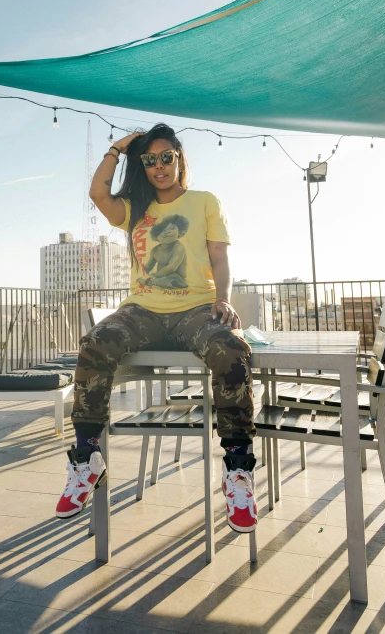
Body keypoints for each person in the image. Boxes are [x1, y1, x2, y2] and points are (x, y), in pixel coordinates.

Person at [55, 123, 257, 532]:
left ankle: (237, 468)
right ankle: (87, 455)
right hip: (143, 310)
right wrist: (117, 148)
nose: (159, 165)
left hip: (196, 309)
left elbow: (219, 258)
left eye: (167, 157)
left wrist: (223, 300)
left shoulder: (204, 201)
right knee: (95, 343)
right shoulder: (134, 208)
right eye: (150, 159)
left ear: (180, 159)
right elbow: (97, 193)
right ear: (142, 165)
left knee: (230, 349)